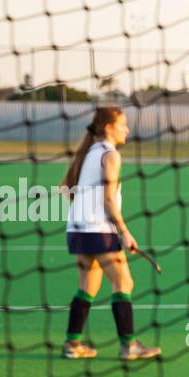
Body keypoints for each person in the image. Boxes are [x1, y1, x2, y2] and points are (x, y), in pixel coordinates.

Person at [60, 107, 160, 360]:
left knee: (88, 285)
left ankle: (72, 344)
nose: (127, 129)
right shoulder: (110, 155)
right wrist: (125, 232)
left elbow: (68, 192)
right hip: (98, 231)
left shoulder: (89, 153)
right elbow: (108, 200)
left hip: (77, 231)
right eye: (122, 124)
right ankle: (129, 346)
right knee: (124, 282)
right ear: (108, 128)